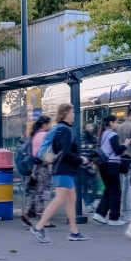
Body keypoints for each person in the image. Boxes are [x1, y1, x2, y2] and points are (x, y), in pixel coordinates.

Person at [30, 104, 90, 243]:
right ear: (66, 113)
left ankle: (74, 232)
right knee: (60, 199)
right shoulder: (65, 130)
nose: (74, 114)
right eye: (72, 112)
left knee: (71, 199)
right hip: (63, 169)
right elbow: (65, 152)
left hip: (62, 169)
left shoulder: (59, 129)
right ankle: (39, 227)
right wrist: (81, 159)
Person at [92, 115, 130, 226]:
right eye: (116, 122)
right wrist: (125, 145)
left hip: (103, 165)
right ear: (112, 123)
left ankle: (99, 214)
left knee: (109, 190)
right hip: (112, 165)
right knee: (116, 192)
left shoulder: (102, 134)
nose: (117, 124)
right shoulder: (112, 135)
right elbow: (117, 151)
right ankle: (114, 218)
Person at [21, 115, 53, 227]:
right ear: (44, 125)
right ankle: (42, 219)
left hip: (35, 167)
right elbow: (47, 153)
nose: (51, 126)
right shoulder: (44, 135)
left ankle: (26, 213)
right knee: (42, 192)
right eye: (49, 124)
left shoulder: (35, 135)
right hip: (42, 166)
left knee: (35, 191)